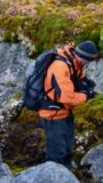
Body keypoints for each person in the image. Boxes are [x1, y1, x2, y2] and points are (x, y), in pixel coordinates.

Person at [38, 40, 98, 168]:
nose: (87, 64)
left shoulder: (73, 62)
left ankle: (67, 171)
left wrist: (85, 84)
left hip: (65, 112)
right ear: (83, 58)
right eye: (88, 61)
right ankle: (53, 175)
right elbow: (67, 97)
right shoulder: (61, 66)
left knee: (67, 149)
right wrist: (86, 96)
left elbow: (79, 78)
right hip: (52, 114)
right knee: (57, 154)